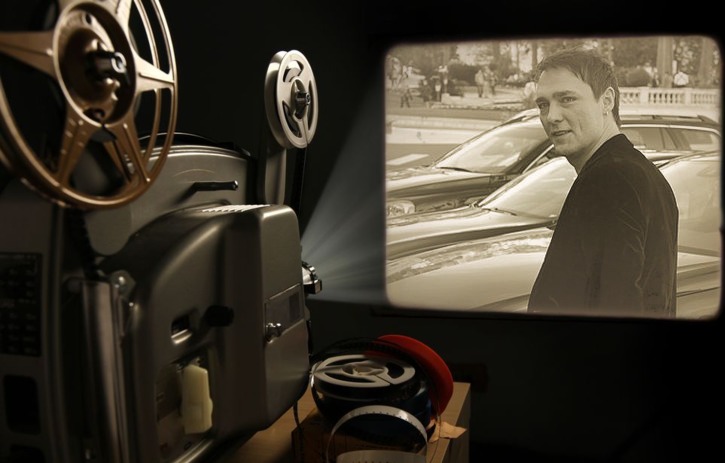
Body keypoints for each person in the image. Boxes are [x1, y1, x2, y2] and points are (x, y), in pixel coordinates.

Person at [527, 47, 679, 317]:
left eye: (567, 99)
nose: (551, 116)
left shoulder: (608, 179)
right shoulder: (643, 173)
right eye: (543, 104)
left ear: (607, 101)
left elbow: (616, 304)